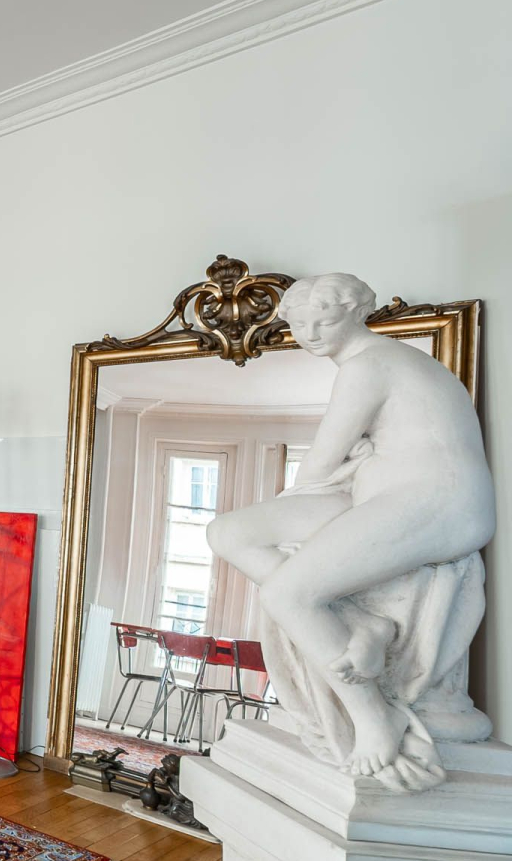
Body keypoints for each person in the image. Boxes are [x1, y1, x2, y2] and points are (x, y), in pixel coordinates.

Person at [205, 274, 494, 778]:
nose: (311, 334)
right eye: (300, 325)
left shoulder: (369, 364)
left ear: (357, 313)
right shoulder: (374, 363)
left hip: (438, 502)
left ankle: (374, 715)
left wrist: (329, 474)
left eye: (325, 321)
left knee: (287, 595)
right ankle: (361, 624)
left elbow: (319, 464)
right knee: (227, 532)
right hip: (380, 494)